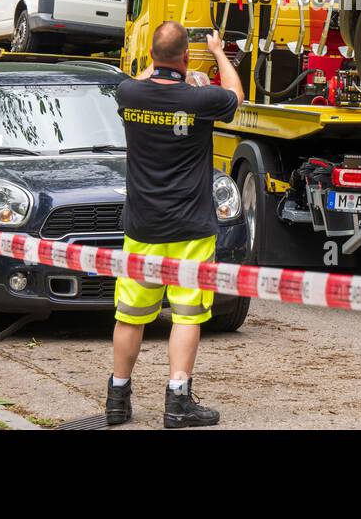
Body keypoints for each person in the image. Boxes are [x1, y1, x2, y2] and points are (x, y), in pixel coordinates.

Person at [107, 22, 245, 427]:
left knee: (130, 315)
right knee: (186, 315)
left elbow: (142, 79)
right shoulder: (201, 99)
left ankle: (117, 398)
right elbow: (236, 95)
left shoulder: (129, 93)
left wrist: (162, 65)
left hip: (142, 227)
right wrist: (217, 52)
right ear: (186, 56)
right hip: (190, 229)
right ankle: (177, 402)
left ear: (152, 56)